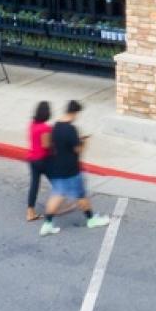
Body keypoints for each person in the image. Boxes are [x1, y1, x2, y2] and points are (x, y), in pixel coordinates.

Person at [37, 101, 107, 236]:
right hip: (71, 170)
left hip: (57, 168)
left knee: (57, 195)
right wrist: (84, 142)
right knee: (81, 195)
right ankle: (91, 219)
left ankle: (47, 224)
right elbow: (78, 149)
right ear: (74, 113)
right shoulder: (71, 129)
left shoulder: (56, 126)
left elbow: (55, 144)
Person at [24, 101, 52, 223]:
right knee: (57, 181)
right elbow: (46, 145)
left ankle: (30, 212)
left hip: (32, 159)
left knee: (34, 185)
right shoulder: (45, 128)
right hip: (43, 160)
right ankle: (57, 206)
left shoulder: (32, 124)